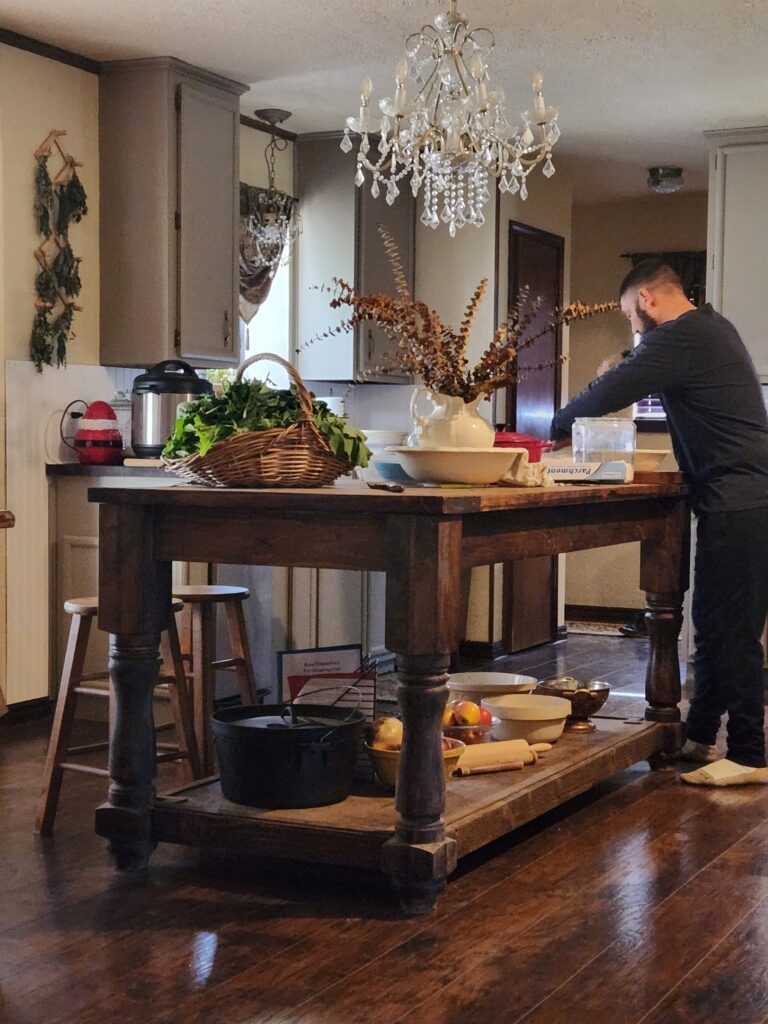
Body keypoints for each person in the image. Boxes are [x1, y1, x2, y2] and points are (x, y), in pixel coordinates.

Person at [550, 258, 768, 786]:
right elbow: (634, 366)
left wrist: (553, 429)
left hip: (740, 499)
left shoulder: (682, 335)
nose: (631, 325)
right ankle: (698, 734)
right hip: (738, 498)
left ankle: (750, 754)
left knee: (729, 630)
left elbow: (614, 387)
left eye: (629, 313)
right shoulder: (709, 328)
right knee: (715, 625)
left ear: (647, 299)